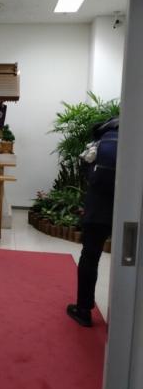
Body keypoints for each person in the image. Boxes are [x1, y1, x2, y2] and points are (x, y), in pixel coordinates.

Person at [67, 116, 119, 327]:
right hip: (129, 210)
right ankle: (127, 320)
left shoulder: (101, 141)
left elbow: (90, 175)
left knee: (90, 257)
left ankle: (83, 310)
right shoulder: (133, 138)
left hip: (98, 209)